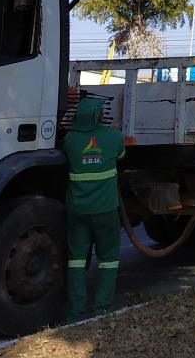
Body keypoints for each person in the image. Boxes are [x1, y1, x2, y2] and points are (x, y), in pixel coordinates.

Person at [63, 95, 126, 322]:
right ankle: (101, 308)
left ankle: (75, 312)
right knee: (108, 259)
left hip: (77, 210)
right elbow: (121, 154)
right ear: (100, 116)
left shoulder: (70, 139)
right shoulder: (113, 137)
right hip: (106, 209)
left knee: (76, 260)